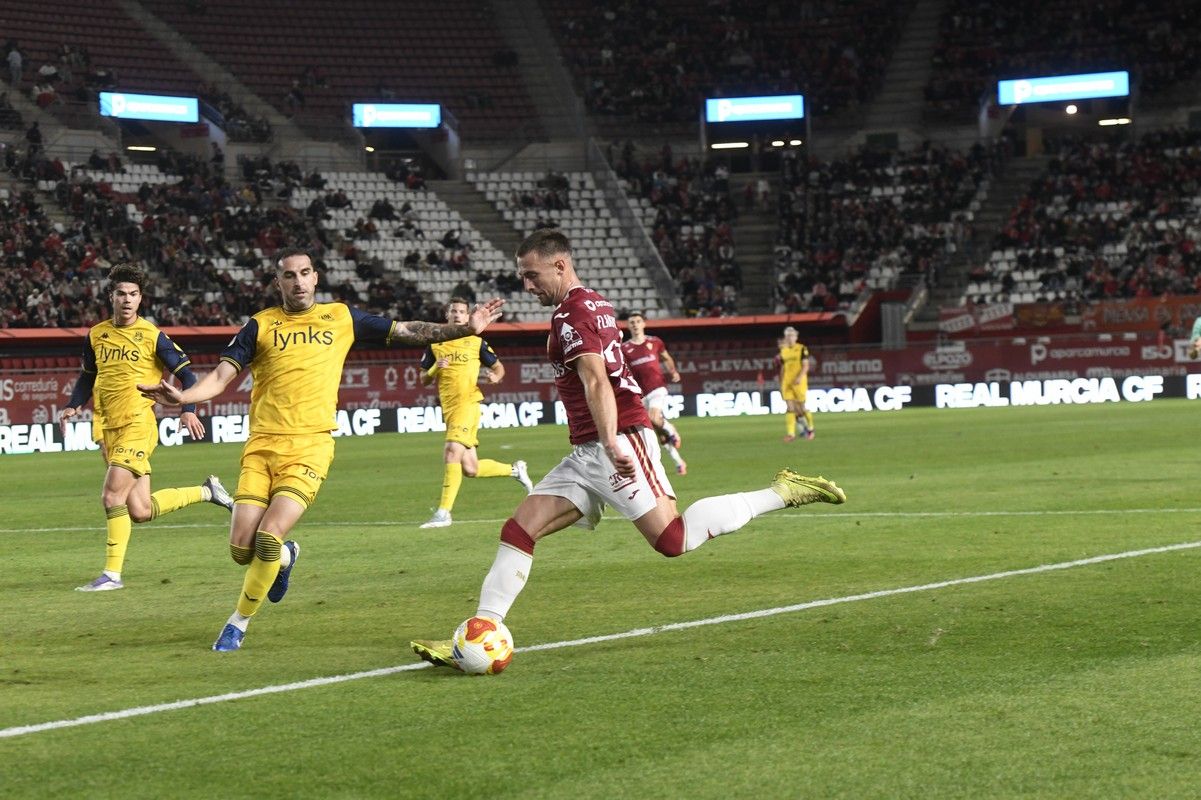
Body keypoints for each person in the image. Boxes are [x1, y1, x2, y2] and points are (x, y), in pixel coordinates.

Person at [410, 230, 845, 669]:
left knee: (672, 539)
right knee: (519, 530)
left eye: (532, 275)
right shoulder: (593, 303)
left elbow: (597, 380)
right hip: (588, 451)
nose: (527, 286)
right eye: (522, 276)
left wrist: (609, 439)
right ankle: (479, 632)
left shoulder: (572, 314)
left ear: (560, 265)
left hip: (616, 440)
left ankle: (782, 492)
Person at [139, 247, 504, 652]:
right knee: (242, 549)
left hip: (311, 446)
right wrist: (184, 397)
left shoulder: (342, 316)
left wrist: (465, 329)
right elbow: (221, 377)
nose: (298, 281)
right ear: (278, 283)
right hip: (261, 446)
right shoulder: (260, 325)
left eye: (305, 272)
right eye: (289, 275)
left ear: (316, 277)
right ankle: (287, 558)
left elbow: (408, 330)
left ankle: (237, 623)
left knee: (267, 537)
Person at [59, 263, 234, 592]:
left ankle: (112, 575)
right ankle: (207, 491)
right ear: (111, 296)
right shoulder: (96, 334)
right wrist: (73, 404)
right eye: (121, 293)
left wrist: (188, 409)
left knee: (111, 495)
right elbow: (88, 375)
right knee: (139, 510)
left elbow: (188, 376)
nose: (127, 299)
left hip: (138, 425)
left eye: (134, 294)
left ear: (141, 299)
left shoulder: (153, 336)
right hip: (108, 428)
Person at [417, 297, 534, 529]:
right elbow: (423, 379)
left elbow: (498, 367)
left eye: (462, 311)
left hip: (468, 404)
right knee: (470, 468)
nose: (457, 314)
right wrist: (434, 368)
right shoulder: (435, 344)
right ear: (447, 315)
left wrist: (495, 377)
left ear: (468, 316)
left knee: (451, 452)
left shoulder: (476, 342)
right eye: (454, 311)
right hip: (449, 409)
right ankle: (515, 470)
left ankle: (443, 513)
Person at [620, 311, 686, 474]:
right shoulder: (624, 348)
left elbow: (666, 357)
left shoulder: (655, 342)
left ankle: (671, 430)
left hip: (657, 387)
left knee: (654, 418)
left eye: (638, 321)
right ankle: (679, 462)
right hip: (641, 393)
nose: (635, 324)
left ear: (643, 323)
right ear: (628, 326)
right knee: (658, 432)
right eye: (632, 322)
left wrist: (673, 371)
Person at [777, 326, 813, 441]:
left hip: (799, 383)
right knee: (790, 408)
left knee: (801, 409)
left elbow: (806, 366)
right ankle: (791, 434)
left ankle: (810, 429)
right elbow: (783, 368)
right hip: (787, 383)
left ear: (796, 337)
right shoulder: (783, 351)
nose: (790, 338)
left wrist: (799, 377)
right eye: (788, 336)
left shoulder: (802, 348)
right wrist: (781, 381)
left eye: (792, 335)